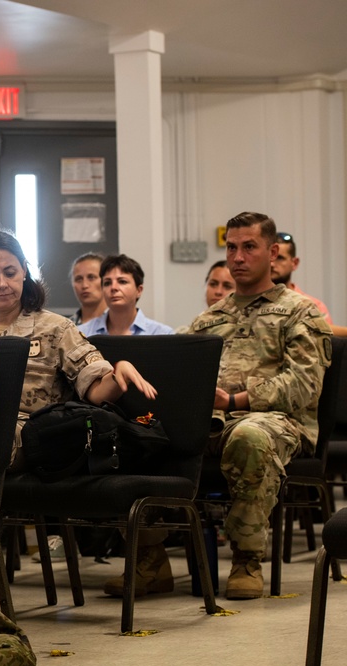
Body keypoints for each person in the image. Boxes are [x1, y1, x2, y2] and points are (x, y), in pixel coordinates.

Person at [108, 212, 332, 601]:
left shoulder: (300, 312)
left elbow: (304, 385)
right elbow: (172, 367)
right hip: (210, 423)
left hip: (275, 423)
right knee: (131, 433)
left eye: (249, 247)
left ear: (272, 251)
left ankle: (246, 560)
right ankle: (150, 559)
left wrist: (237, 400)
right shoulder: (209, 319)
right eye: (231, 247)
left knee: (249, 436)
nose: (238, 257)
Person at [0, 230, 156, 563]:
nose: (3, 283)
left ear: (25, 270)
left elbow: (95, 387)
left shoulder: (54, 328)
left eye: (10, 272)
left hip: (27, 436)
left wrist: (117, 374)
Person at [79, 254, 173, 336]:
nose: (113, 288)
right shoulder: (84, 334)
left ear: (139, 290)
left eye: (122, 281)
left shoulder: (161, 334)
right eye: (107, 283)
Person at [271, 231, 332, 323]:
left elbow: (328, 334)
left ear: (294, 263)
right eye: (270, 258)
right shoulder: (252, 300)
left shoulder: (313, 305)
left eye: (280, 258)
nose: (272, 264)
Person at [69, 252, 106, 325]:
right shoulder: (65, 329)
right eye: (78, 279)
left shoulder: (121, 324)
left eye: (91, 277)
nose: (84, 285)